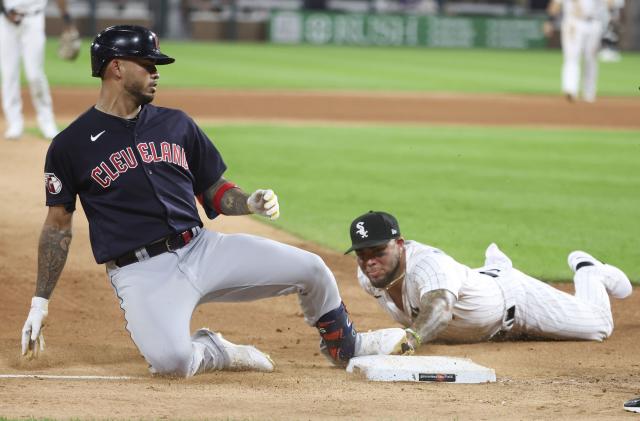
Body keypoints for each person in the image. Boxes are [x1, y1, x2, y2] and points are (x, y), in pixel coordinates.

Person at [19, 25, 412, 377]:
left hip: (203, 249)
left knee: (312, 268)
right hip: (142, 274)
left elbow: (215, 190)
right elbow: (57, 227)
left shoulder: (176, 123)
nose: (156, 72)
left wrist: (249, 203)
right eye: (147, 63)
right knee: (172, 362)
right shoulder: (70, 145)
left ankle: (346, 345)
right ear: (116, 67)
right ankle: (216, 349)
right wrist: (40, 302)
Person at [345, 210, 632, 348]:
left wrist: (412, 338)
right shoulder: (369, 275)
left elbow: (440, 310)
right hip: (484, 304)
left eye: (378, 251)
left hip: (517, 300)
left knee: (599, 326)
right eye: (361, 253)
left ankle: (588, 270)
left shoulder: (429, 265)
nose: (369, 261)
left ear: (400, 244)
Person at [0, 0, 72, 139]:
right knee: (9, 75)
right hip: (6, 21)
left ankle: (47, 122)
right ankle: (14, 124)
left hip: (34, 19)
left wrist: (66, 17)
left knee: (35, 75)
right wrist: (4, 10)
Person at [544, 0, 611, 103]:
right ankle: (570, 90)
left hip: (594, 23)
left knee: (591, 60)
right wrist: (550, 21)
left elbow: (610, 4)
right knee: (571, 57)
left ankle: (589, 94)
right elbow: (556, 4)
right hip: (574, 22)